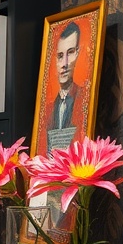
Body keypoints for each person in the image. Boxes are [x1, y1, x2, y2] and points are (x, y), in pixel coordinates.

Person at [41, 21, 85, 155]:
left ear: (78, 53)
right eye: (60, 56)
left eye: (70, 52)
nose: (64, 64)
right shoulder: (47, 110)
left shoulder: (85, 100)